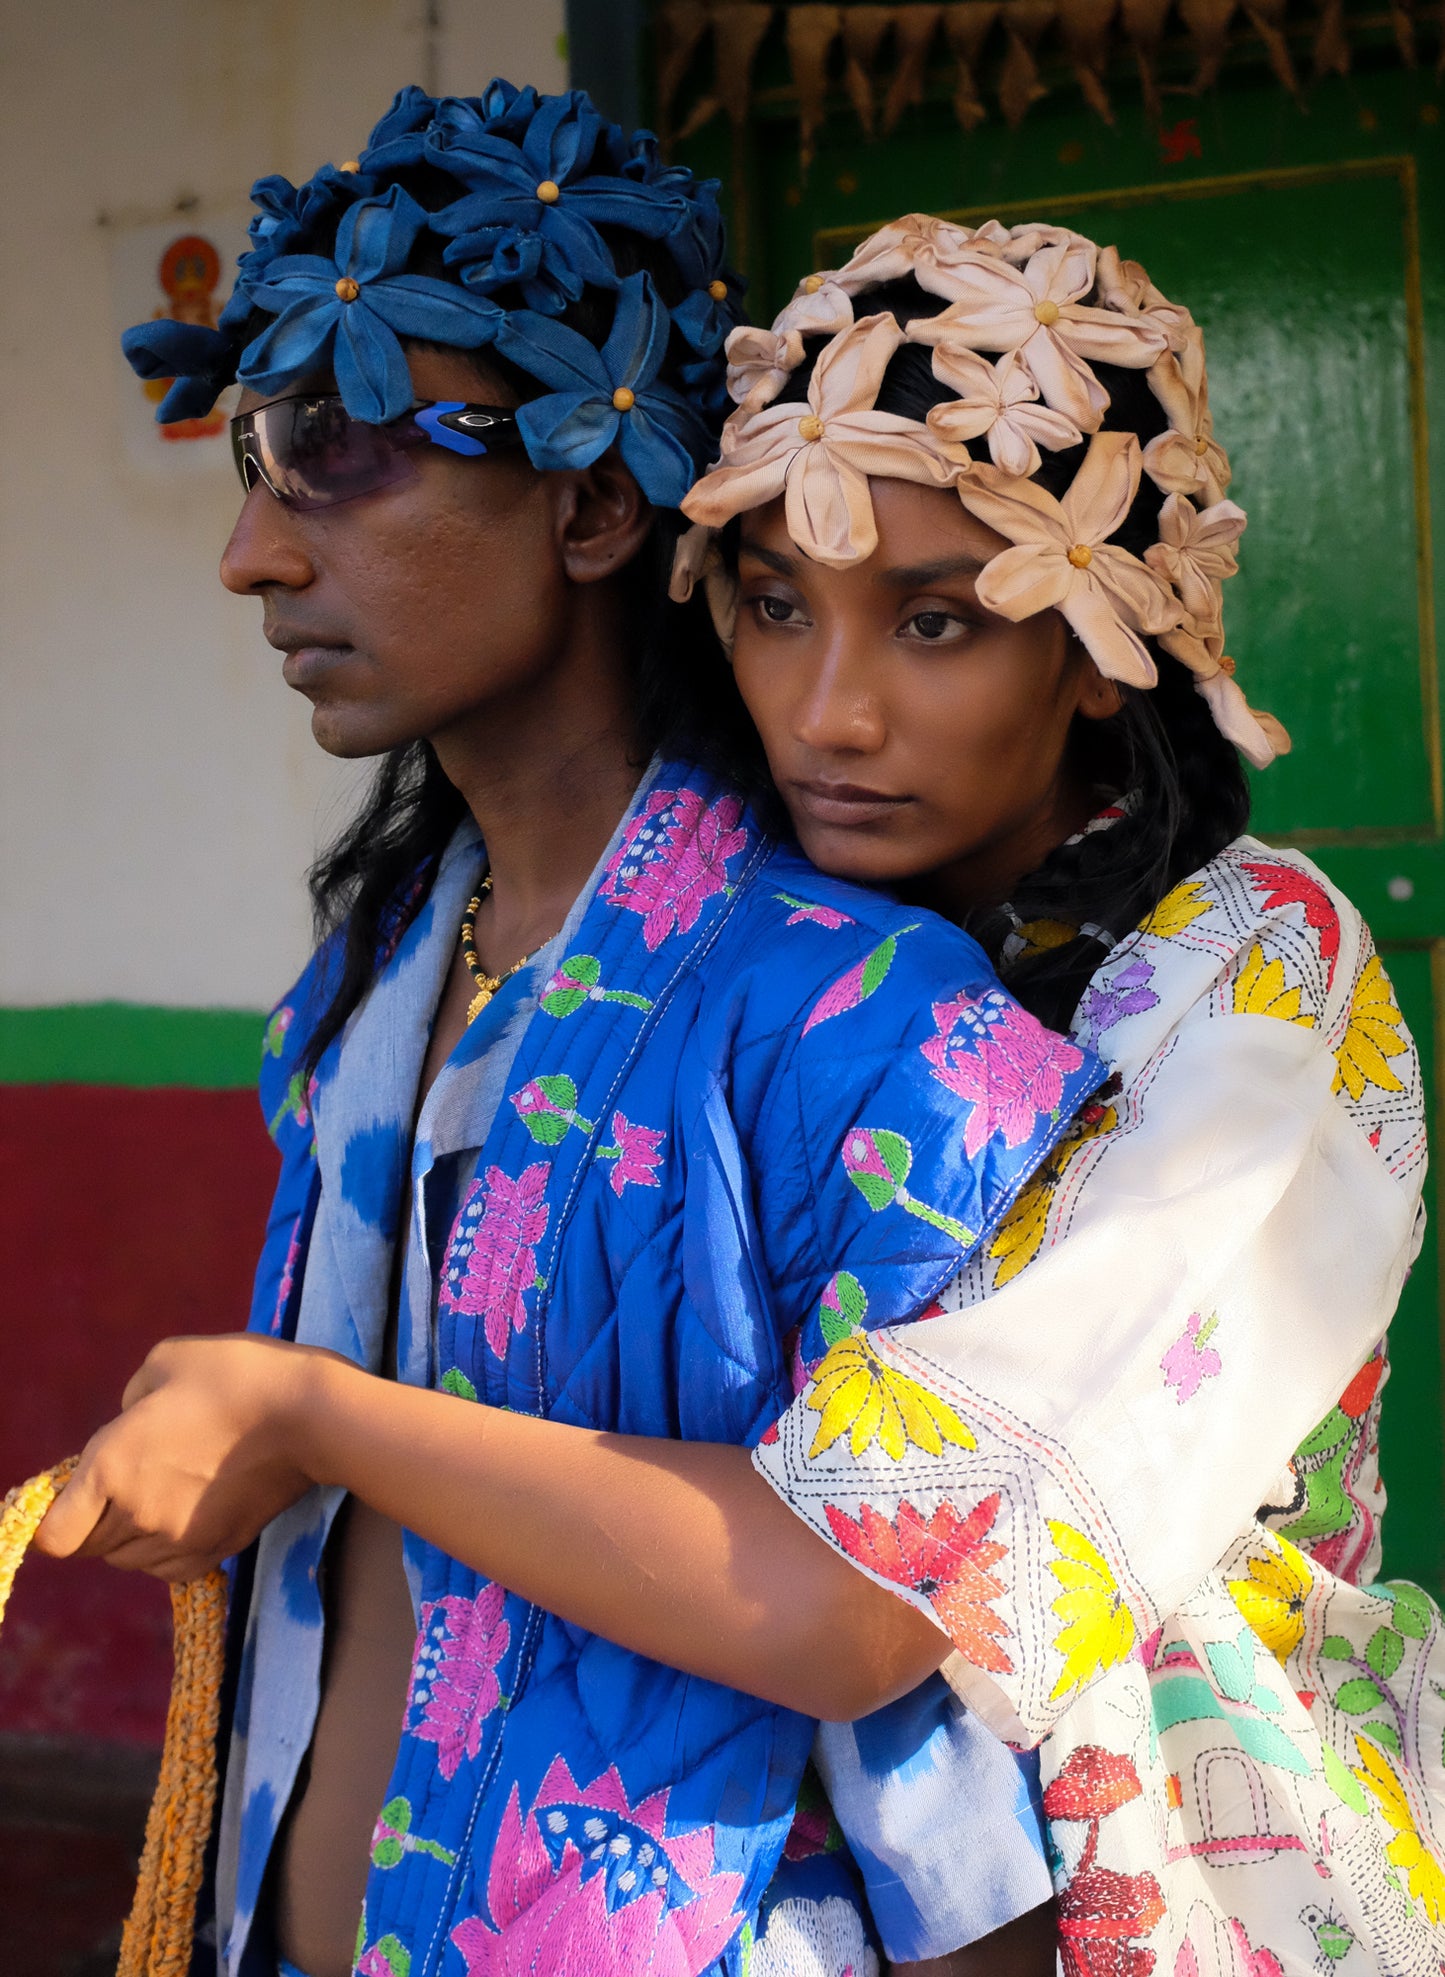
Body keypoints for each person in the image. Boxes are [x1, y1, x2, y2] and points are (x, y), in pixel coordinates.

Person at [34, 100, 1101, 1977]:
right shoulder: (369, 983)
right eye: (250, 460)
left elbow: (901, 1650)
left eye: (331, 455)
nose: (250, 557)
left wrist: (297, 1409)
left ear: (595, 503)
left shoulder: (863, 1016)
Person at [678, 211, 1445, 1974]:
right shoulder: (769, 963)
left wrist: (330, 1428)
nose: (828, 710)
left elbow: (893, 1574)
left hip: (1219, 1894)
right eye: (776, 608)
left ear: (1102, 650)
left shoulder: (1256, 971)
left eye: (936, 620)